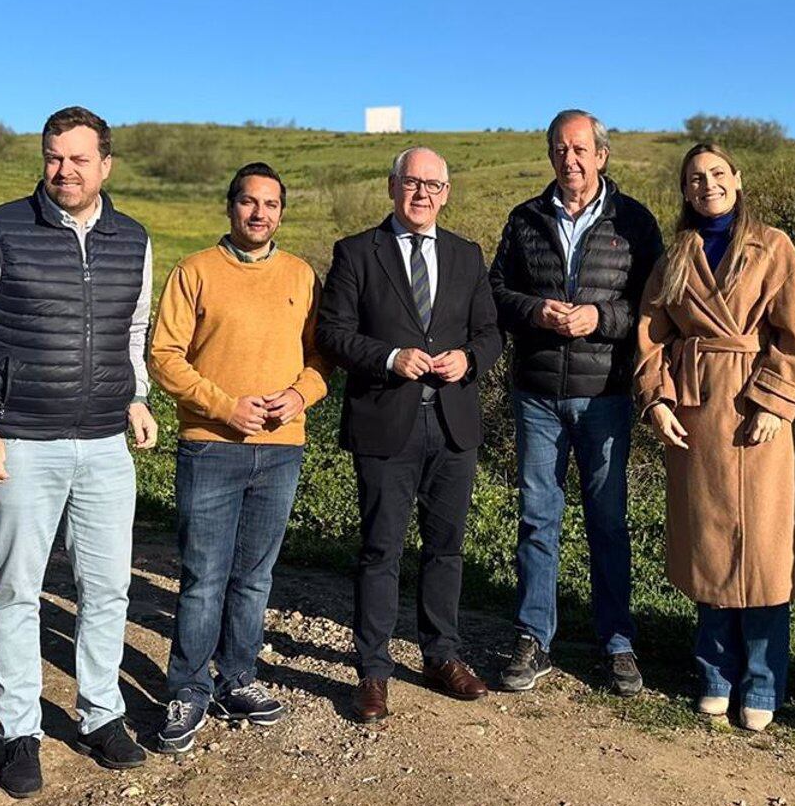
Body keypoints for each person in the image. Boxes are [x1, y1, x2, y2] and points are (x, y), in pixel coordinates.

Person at [0, 107, 158, 798]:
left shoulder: (134, 239)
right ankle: (18, 731)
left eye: (79, 159)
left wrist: (138, 394)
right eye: (54, 157)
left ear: (106, 166)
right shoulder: (1, 230)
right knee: (15, 593)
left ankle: (101, 714)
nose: (64, 171)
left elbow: (132, 328)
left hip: (103, 445)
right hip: (19, 443)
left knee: (107, 588)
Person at [147, 162, 332, 751]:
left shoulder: (302, 275)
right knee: (204, 578)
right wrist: (224, 408)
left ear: (282, 211)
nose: (260, 213)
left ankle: (238, 679)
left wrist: (299, 394)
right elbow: (165, 355)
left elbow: (322, 358)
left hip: (281, 450)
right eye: (249, 202)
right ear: (231, 207)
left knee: (254, 578)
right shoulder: (195, 270)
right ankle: (188, 689)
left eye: (271, 204)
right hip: (210, 446)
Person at [316, 146, 505, 722]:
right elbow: (334, 334)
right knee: (381, 550)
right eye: (411, 182)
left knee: (446, 549)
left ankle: (439, 655)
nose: (422, 193)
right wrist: (392, 357)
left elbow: (491, 332)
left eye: (433, 185)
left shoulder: (467, 255)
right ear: (392, 186)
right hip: (386, 420)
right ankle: (372, 670)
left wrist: (468, 359)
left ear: (446, 193)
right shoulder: (356, 253)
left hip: (452, 422)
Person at [636, 143, 795, 732]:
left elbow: (792, 336)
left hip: (757, 412)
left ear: (737, 179)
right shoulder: (674, 257)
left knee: (764, 553)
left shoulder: (775, 246)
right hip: (697, 414)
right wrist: (658, 399)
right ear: (685, 191)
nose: (706, 184)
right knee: (708, 548)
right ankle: (715, 674)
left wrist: (776, 402)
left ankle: (763, 681)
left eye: (716, 173)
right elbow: (650, 335)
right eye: (694, 178)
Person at [488, 110, 665, 695]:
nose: (571, 159)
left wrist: (600, 316)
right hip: (537, 393)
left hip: (605, 396)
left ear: (602, 154)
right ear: (550, 155)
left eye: (581, 148)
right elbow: (495, 293)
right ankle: (534, 637)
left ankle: (616, 642)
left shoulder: (634, 221)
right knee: (538, 519)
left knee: (607, 522)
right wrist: (534, 311)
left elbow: (653, 306)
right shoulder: (524, 218)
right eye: (560, 149)